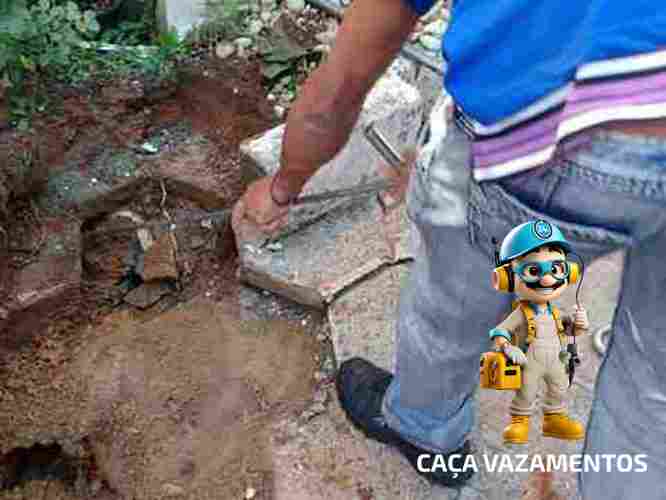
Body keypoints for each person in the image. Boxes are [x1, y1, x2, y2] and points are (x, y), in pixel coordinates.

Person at [231, 0, 666, 497]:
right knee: (655, 380)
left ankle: (424, 426)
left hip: (564, 129)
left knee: (455, 296)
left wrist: (282, 187)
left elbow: (337, 91)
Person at [487, 220, 589, 445]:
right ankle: (519, 421)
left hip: (556, 360)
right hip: (529, 361)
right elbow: (500, 331)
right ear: (507, 278)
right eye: (533, 271)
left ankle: (554, 418)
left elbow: (570, 331)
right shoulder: (521, 313)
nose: (547, 279)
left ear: (569, 273)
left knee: (559, 388)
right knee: (526, 391)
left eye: (556, 269)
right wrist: (507, 347)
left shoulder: (556, 312)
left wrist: (579, 325)